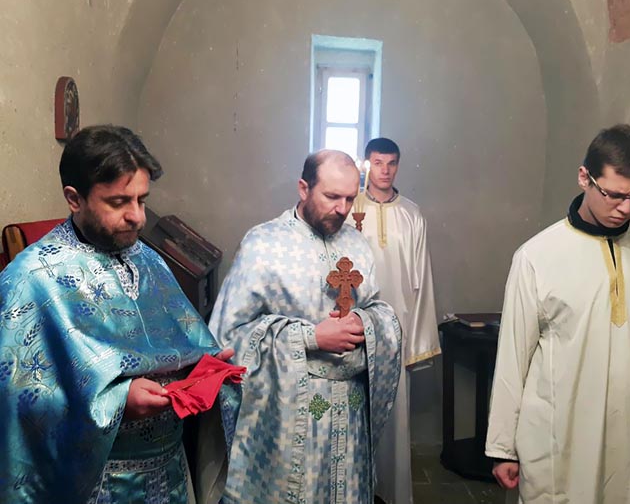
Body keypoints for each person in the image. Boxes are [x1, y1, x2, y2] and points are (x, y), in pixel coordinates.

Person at [0, 125, 240, 504]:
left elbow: (178, 343)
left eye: (142, 200)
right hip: (100, 482)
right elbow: (19, 400)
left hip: (171, 472)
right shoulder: (32, 278)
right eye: (118, 202)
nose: (137, 217)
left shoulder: (147, 258)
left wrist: (206, 368)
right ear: (74, 199)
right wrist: (118, 401)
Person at [485, 124, 630, 503]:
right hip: (563, 438)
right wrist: (502, 447)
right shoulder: (537, 257)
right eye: (614, 194)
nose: (626, 209)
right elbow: (513, 358)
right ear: (585, 177)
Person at [209, 149, 402, 504]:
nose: (342, 209)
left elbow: (377, 308)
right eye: (332, 196)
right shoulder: (264, 244)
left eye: (350, 198)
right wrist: (310, 337)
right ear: (303, 188)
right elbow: (227, 337)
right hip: (288, 416)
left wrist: (366, 321)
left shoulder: (356, 243)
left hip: (351, 414)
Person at [350, 138, 440, 504]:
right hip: (356, 325)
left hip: (397, 326)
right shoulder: (350, 208)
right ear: (367, 164)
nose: (384, 170)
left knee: (393, 415)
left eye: (391, 163)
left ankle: (389, 492)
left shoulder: (412, 214)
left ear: (398, 166)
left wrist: (417, 341)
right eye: (377, 162)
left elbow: (422, 279)